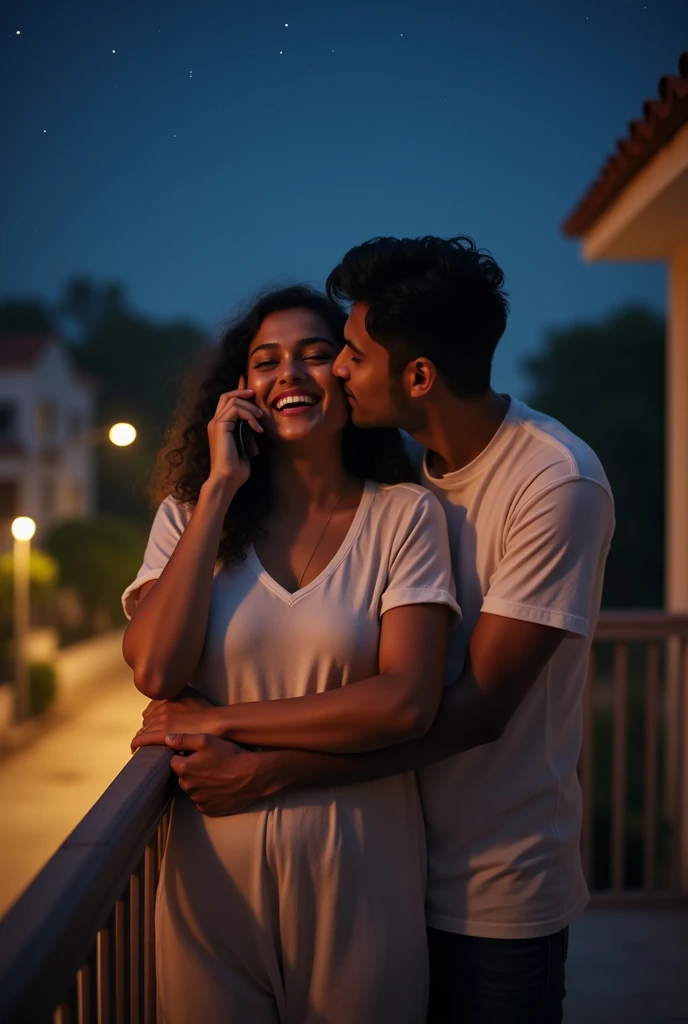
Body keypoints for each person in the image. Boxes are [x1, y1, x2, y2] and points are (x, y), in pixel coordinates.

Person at [153, 237, 615, 1024]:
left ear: (419, 376)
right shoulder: (410, 470)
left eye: (349, 356)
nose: (333, 373)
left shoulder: (553, 482)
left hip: (490, 883)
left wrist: (261, 762)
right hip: (388, 863)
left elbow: (472, 710)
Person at [123, 284, 461, 1024]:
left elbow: (407, 701)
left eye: (316, 355)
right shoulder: (188, 517)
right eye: (267, 361)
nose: (291, 375)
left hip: (361, 870)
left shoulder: (405, 515)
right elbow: (154, 670)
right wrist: (218, 491)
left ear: (347, 376)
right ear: (239, 391)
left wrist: (220, 722)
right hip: (211, 878)